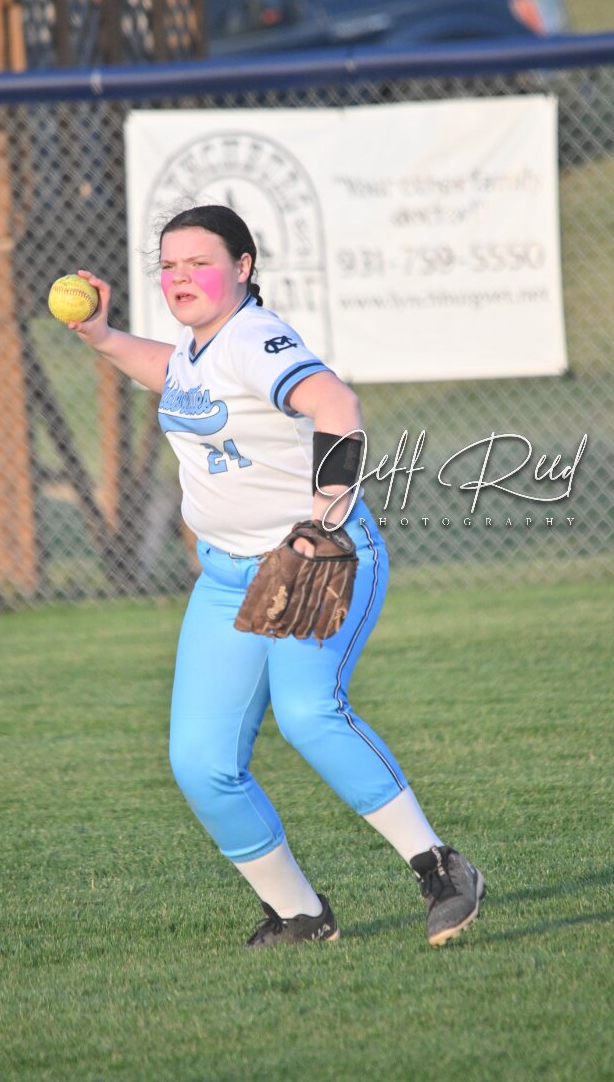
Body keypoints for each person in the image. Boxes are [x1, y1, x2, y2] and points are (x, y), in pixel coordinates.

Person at [70, 204, 485, 948]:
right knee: (201, 763)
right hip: (227, 579)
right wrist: (101, 336)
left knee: (308, 712)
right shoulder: (201, 347)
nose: (180, 277)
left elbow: (335, 404)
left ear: (243, 267)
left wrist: (325, 517)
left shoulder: (254, 336)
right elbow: (171, 374)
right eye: (169, 265)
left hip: (313, 562)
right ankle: (300, 913)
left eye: (200, 263)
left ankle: (441, 868)